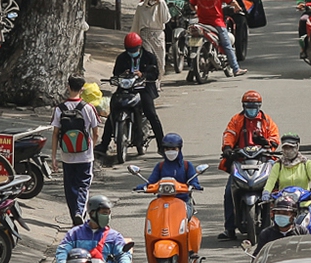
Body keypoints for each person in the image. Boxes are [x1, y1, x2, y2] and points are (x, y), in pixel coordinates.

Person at [219, 91, 281, 238]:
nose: (251, 109)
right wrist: (228, 148)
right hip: (241, 161)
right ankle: (230, 228)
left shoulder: (267, 121)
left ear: (259, 106)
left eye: (254, 106)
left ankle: (280, 223)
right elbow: (229, 134)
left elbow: (275, 138)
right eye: (248, 106)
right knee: (229, 192)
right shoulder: (237, 119)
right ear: (243, 106)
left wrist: (266, 143)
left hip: (263, 160)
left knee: (277, 188)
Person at [98, 32, 163, 160]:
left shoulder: (149, 57)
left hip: (144, 88)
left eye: (134, 50)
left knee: (151, 113)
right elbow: (116, 73)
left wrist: (142, 75)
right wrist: (123, 73)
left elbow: (154, 74)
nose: (132, 52)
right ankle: (104, 145)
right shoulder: (122, 58)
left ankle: (162, 145)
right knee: (113, 113)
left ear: (140, 47)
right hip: (125, 88)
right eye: (130, 50)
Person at [50, 75, 102, 220]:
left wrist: (54, 157)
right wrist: (92, 148)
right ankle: (79, 212)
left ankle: (75, 215)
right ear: (83, 88)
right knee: (83, 186)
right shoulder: (88, 108)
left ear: (68, 86)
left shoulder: (59, 109)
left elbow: (55, 134)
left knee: (70, 187)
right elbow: (96, 133)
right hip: (85, 155)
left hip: (67, 156)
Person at [55, 194, 134, 263]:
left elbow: (122, 254)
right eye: (104, 213)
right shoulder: (74, 233)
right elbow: (63, 250)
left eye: (108, 213)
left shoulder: (115, 236)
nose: (107, 217)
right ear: (92, 213)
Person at [188, 0, 244, 75]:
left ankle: (191, 71)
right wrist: (238, 9)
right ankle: (236, 69)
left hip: (201, 23)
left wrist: (197, 11)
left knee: (193, 44)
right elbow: (232, 2)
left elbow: (191, 4)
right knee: (227, 45)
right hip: (217, 23)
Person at [140, 132, 205, 211]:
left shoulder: (187, 165)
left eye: (174, 149)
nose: (170, 151)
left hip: (183, 201)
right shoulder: (160, 166)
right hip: (161, 202)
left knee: (186, 216)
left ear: (179, 149)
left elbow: (194, 181)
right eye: (167, 149)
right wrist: (144, 186)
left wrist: (194, 185)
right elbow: (151, 182)